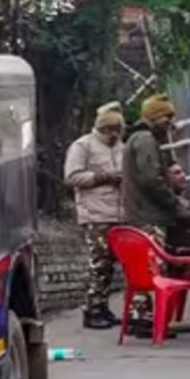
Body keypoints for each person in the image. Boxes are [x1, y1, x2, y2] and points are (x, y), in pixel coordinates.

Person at [122, 94, 181, 337]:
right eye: (167, 118)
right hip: (150, 215)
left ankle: (140, 317)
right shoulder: (146, 141)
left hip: (137, 212)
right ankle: (150, 321)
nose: (170, 124)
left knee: (142, 269)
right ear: (156, 118)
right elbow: (151, 179)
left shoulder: (135, 139)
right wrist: (172, 202)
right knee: (154, 268)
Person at [65, 102, 126, 330]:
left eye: (117, 130)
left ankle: (103, 307)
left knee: (111, 265)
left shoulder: (121, 147)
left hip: (119, 213)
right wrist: (103, 177)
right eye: (109, 130)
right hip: (95, 213)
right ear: (100, 128)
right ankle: (92, 308)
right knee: (99, 263)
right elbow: (72, 177)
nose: (113, 134)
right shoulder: (83, 146)